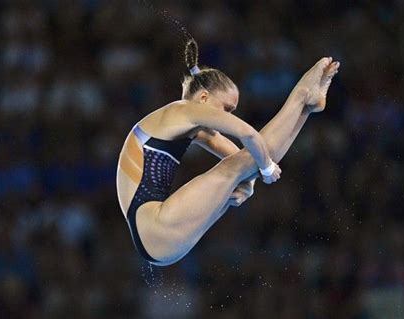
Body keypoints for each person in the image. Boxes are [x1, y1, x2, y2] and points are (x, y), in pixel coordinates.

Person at [116, 38, 340, 266]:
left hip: (161, 240)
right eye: (226, 109)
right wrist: (266, 168)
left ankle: (307, 108)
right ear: (203, 97)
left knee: (245, 164)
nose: (227, 116)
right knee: (242, 164)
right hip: (156, 227)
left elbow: (241, 155)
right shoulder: (183, 110)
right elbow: (249, 135)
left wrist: (249, 184)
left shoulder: (192, 127)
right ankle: (301, 94)